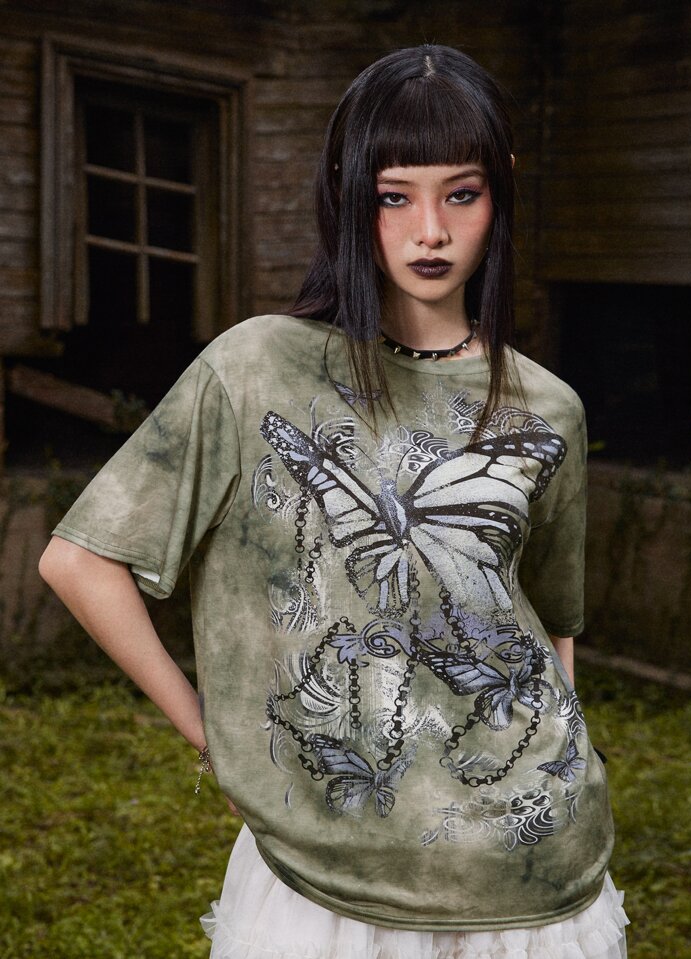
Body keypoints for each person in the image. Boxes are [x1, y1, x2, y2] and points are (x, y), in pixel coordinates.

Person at [39, 43, 630, 959]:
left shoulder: (546, 408)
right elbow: (79, 559)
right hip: (326, 872)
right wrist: (215, 739)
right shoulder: (256, 367)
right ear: (350, 195)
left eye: (461, 194)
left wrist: (554, 767)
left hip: (531, 868)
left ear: (501, 193)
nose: (429, 231)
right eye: (395, 196)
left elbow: (550, 624)